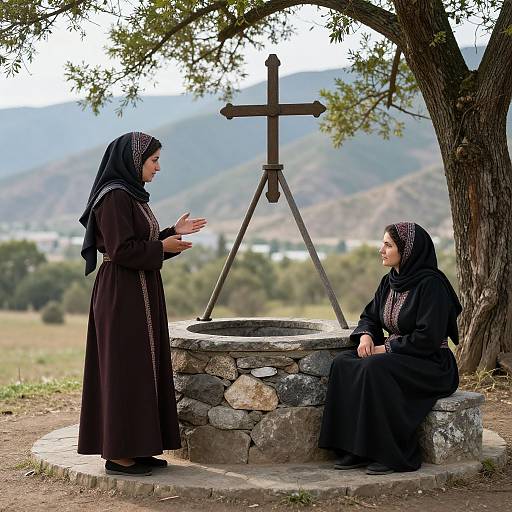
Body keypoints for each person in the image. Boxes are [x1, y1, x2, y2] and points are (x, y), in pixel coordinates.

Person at [77, 132, 207, 476]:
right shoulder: (114, 197)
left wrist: (168, 234)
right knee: (124, 369)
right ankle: (118, 454)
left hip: (140, 290)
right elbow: (120, 251)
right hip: (121, 294)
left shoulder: (132, 195)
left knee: (142, 367)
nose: (158, 167)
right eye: (154, 160)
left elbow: (138, 242)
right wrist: (162, 248)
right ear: (134, 162)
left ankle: (140, 446)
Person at [319, 222, 461, 475]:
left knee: (375, 367)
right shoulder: (390, 282)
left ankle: (391, 454)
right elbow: (370, 317)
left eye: (388, 245)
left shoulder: (432, 286)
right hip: (398, 357)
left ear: (407, 251)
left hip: (432, 363)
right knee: (344, 363)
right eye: (383, 244)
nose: (381, 250)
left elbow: (427, 338)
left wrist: (384, 349)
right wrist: (365, 337)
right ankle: (355, 449)